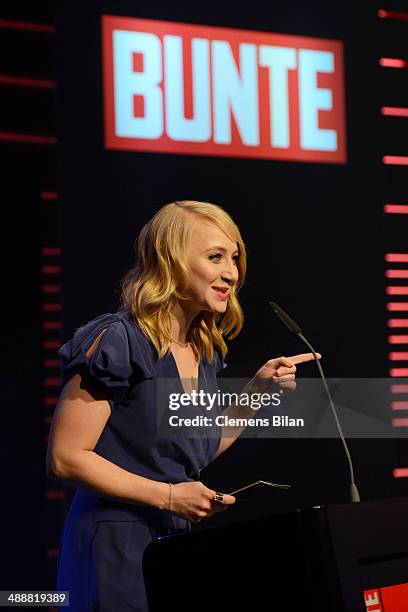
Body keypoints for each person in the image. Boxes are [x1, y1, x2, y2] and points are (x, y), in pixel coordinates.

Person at [47, 200, 318, 611]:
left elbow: (198, 446)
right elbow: (66, 458)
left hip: (171, 541)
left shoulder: (203, 349)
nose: (232, 272)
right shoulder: (118, 338)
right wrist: (170, 497)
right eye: (215, 257)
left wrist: (256, 396)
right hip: (115, 542)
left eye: (235, 258)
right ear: (170, 261)